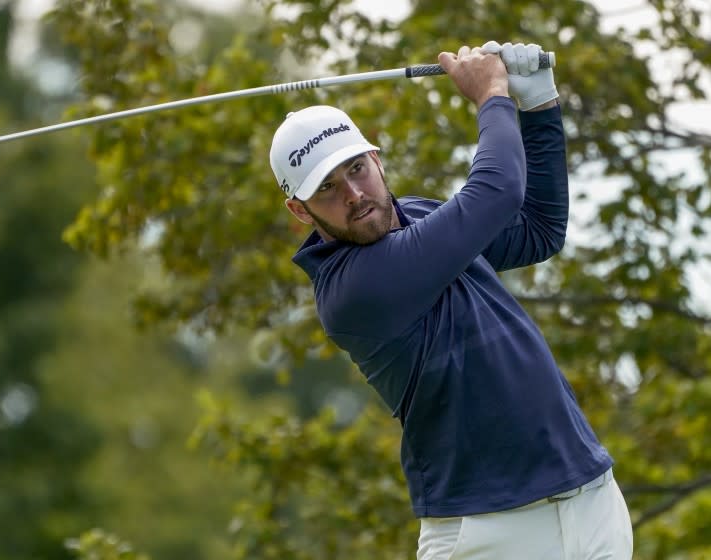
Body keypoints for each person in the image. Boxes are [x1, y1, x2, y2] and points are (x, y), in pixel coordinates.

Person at [268, 42, 634, 559]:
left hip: (590, 498)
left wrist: (539, 107)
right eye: (326, 189)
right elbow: (498, 191)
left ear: (375, 157)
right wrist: (492, 97)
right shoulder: (353, 290)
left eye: (355, 169)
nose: (353, 195)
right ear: (300, 212)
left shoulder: (418, 215)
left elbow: (537, 230)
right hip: (485, 532)